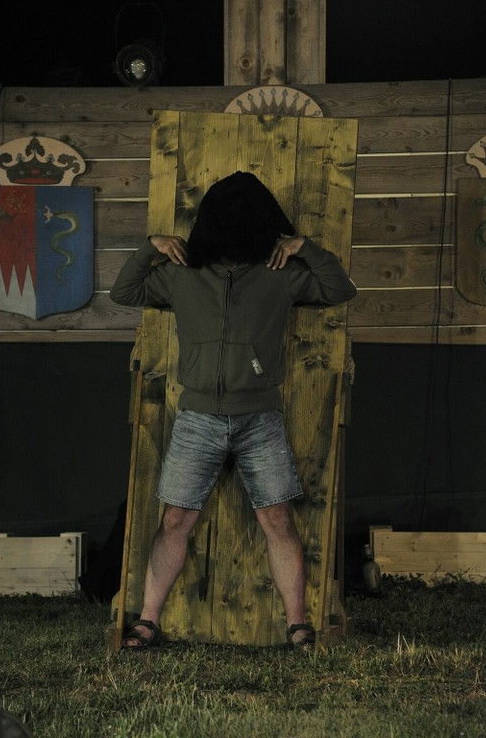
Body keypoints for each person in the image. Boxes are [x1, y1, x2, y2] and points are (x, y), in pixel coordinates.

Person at [110, 171, 357, 651]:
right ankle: (147, 622)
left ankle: (298, 625)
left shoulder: (278, 273)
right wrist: (150, 246)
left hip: (260, 419)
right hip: (197, 419)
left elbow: (340, 289)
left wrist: (305, 247)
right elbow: (124, 292)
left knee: (278, 521)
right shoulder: (182, 273)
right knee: (175, 522)